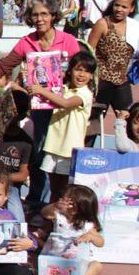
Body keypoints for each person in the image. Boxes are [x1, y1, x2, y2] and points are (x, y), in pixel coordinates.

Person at [0, 0, 82, 211]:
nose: (40, 19)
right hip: (41, 109)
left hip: (63, 111)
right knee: (39, 154)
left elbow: (81, 70)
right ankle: (36, 201)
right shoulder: (27, 43)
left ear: (53, 16)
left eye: (44, 14)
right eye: (35, 15)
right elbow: (3, 66)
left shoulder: (68, 40)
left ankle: (59, 203)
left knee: (61, 158)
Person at [31, 51, 97, 207]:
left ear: (92, 75)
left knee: (66, 191)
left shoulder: (85, 93)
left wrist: (41, 90)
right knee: (55, 190)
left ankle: (63, 221)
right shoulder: (62, 88)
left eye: (87, 71)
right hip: (54, 146)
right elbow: (46, 92)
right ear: (70, 70)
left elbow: (65, 103)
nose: (82, 74)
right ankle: (51, 223)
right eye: (78, 69)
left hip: (69, 149)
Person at [87, 0, 139, 133]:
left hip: (121, 81)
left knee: (129, 120)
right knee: (94, 122)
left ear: (131, 9)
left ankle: (129, 152)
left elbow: (126, 48)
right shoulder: (103, 23)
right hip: (101, 81)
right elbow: (88, 51)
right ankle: (85, 153)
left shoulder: (134, 26)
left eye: (124, 7)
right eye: (117, 5)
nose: (119, 9)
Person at [40, 184, 105, 275]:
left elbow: (101, 242)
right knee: (42, 264)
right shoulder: (59, 216)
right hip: (56, 257)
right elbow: (45, 213)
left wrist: (90, 236)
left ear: (80, 207)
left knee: (97, 266)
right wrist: (55, 205)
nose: (64, 204)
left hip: (78, 261)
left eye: (69, 203)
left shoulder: (86, 224)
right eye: (62, 200)